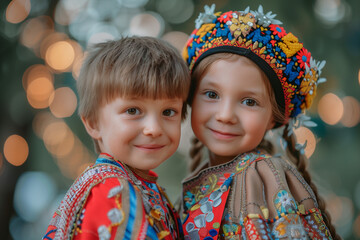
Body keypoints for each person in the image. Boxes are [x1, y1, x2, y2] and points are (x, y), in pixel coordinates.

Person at [180, 4, 340, 240]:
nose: (225, 115)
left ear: (276, 118)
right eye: (212, 95)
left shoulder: (263, 178)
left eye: (249, 102)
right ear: (191, 96)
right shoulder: (197, 183)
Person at [43, 36, 190, 240]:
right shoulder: (114, 192)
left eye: (168, 112)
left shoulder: (139, 186)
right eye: (133, 110)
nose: (154, 129)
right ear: (94, 123)